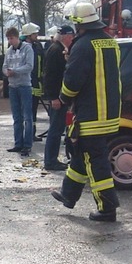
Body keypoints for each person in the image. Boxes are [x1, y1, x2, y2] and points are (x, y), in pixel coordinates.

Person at [52, 1, 122, 222]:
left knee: (96, 161)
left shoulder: (82, 46)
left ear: (78, 23)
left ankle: (107, 208)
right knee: (82, 154)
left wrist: (63, 98)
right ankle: (68, 194)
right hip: (109, 113)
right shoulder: (111, 42)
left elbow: (73, 81)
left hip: (91, 116)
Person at [41, 24, 75, 171]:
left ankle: (52, 159)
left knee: (57, 128)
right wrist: (53, 97)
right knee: (55, 129)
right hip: (57, 97)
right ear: (67, 37)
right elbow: (50, 76)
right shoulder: (56, 51)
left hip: (60, 96)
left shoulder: (58, 49)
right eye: (72, 37)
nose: (73, 39)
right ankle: (50, 161)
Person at [2, 27, 34, 154]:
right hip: (13, 86)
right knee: (16, 116)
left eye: (12, 38)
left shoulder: (27, 48)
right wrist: (6, 73)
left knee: (27, 116)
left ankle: (27, 144)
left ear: (17, 37)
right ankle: (18, 143)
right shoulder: (9, 51)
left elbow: (29, 66)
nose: (10, 41)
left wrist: (15, 71)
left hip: (24, 85)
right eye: (8, 39)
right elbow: (4, 66)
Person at [21, 22, 45, 129]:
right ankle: (27, 132)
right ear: (29, 35)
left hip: (37, 82)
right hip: (26, 82)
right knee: (26, 109)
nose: (37, 36)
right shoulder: (22, 48)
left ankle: (32, 132)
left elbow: (43, 62)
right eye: (35, 34)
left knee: (34, 108)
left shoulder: (37, 46)